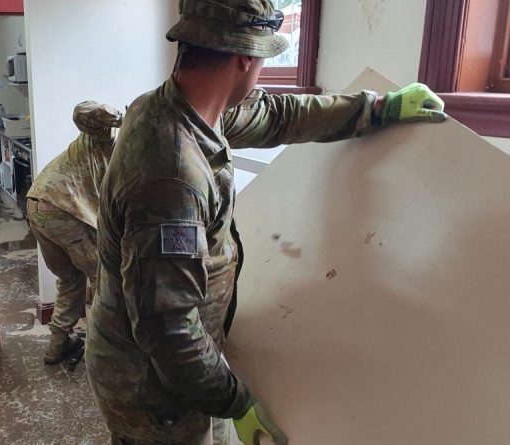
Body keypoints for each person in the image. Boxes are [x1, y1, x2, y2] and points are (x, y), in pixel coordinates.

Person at [84, 1, 447, 444]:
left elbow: (279, 116)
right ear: (245, 58)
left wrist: (377, 108)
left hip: (176, 368)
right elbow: (168, 327)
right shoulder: (171, 176)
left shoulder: (179, 106)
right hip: (151, 386)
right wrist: (237, 402)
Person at [26, 101, 123, 365]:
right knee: (104, 280)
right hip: (64, 208)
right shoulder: (108, 132)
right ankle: (106, 355)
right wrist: (113, 116)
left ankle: (57, 346)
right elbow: (83, 112)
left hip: (39, 204)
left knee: (70, 278)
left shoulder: (136, 152)